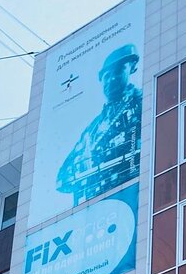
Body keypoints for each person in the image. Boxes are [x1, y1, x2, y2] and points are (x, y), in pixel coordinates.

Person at [56, 44, 142, 206]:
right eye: (107, 76)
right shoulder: (92, 129)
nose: (112, 79)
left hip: (134, 194)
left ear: (131, 68)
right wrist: (86, 167)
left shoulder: (142, 102)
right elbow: (62, 179)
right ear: (101, 80)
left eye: (118, 71)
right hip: (99, 204)